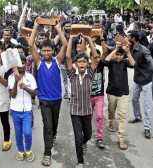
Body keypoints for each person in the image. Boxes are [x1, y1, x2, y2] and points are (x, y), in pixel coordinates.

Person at [29, 18, 67, 167]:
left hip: (56, 99)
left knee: (55, 123)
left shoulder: (57, 61)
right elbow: (31, 44)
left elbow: (65, 44)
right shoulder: (38, 62)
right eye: (43, 50)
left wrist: (58, 28)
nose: (46, 52)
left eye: (48, 50)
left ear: (53, 51)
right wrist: (36, 26)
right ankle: (47, 153)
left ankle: (54, 136)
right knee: (48, 126)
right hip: (44, 100)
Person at [66, 34, 97, 168]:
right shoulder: (72, 74)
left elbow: (95, 57)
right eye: (79, 62)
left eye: (84, 62)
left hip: (87, 110)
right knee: (78, 137)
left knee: (88, 135)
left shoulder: (90, 74)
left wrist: (89, 38)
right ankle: (80, 161)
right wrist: (72, 38)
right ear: (76, 64)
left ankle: (84, 142)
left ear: (87, 63)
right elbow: (67, 57)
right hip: (75, 110)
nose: (82, 64)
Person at [104, 43, 135, 150]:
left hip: (123, 93)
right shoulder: (111, 62)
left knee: (122, 115)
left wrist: (127, 52)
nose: (118, 57)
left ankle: (121, 139)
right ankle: (111, 122)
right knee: (111, 111)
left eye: (120, 55)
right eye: (117, 55)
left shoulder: (125, 62)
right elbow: (104, 61)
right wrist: (114, 50)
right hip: (112, 92)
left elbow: (134, 64)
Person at [8, 54, 37, 162]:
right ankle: (20, 150)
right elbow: (13, 95)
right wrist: (16, 82)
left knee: (27, 132)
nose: (20, 66)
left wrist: (25, 87)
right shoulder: (11, 78)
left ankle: (28, 150)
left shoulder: (30, 77)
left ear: (26, 64)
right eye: (18, 64)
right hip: (15, 110)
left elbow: (34, 93)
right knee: (18, 132)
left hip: (27, 110)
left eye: (23, 63)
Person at [127, 30, 153, 139]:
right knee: (134, 99)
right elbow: (131, 63)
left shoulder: (143, 50)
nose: (127, 38)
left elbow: (151, 63)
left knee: (147, 105)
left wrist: (149, 72)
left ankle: (147, 128)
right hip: (137, 79)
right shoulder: (129, 48)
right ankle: (138, 116)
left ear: (134, 38)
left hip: (146, 80)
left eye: (128, 37)